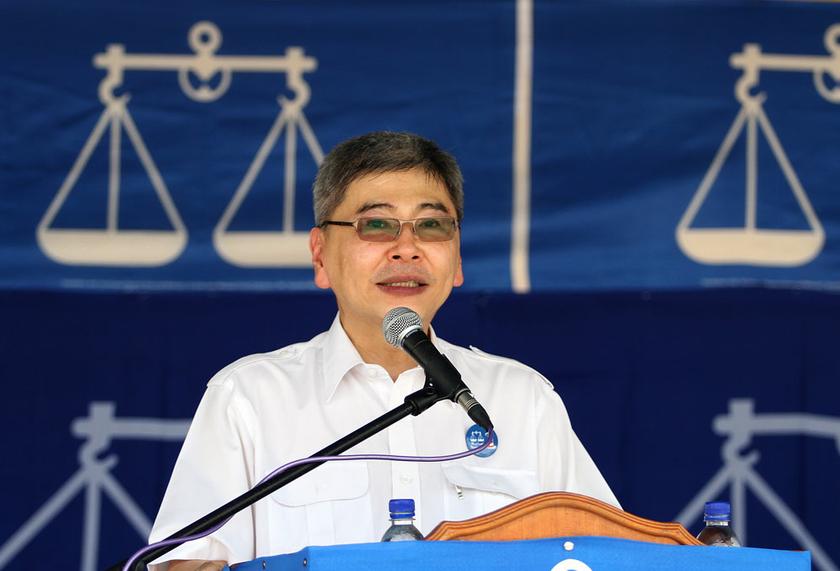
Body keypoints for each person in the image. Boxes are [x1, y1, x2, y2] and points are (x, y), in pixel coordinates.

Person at [149, 131, 619, 570]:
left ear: (457, 261)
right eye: (376, 224)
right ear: (320, 255)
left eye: (432, 225)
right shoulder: (249, 397)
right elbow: (191, 561)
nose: (407, 248)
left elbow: (604, 555)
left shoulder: (522, 399)